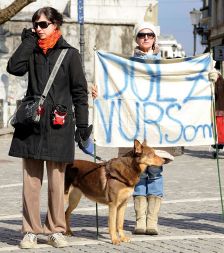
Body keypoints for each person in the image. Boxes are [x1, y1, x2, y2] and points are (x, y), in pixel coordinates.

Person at [7, 7, 90, 249]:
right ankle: (30, 231)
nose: (38, 29)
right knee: (31, 183)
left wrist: (83, 124)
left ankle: (55, 229)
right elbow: (13, 68)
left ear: (56, 25)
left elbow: (80, 92)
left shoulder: (70, 54)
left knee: (57, 182)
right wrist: (27, 42)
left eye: (42, 25)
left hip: (58, 125)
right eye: (35, 25)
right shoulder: (31, 50)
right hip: (31, 125)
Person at [92, 22, 172, 236]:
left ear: (155, 38)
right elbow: (113, 87)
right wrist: (98, 91)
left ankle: (152, 220)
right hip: (133, 125)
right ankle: (139, 219)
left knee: (155, 171)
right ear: (137, 39)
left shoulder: (165, 65)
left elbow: (176, 87)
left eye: (150, 35)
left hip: (156, 125)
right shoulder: (125, 65)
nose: (146, 38)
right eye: (142, 35)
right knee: (136, 172)